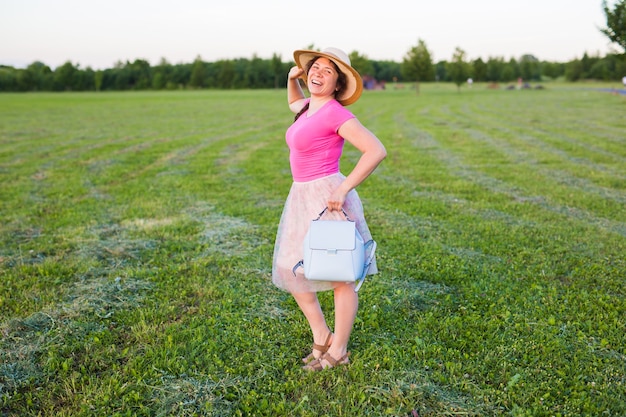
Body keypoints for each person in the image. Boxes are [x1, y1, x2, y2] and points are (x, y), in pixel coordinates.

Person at [272, 47, 387, 371]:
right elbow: (294, 102)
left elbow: (375, 150)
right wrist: (290, 79)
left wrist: (343, 187)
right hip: (300, 196)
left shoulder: (336, 113)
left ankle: (338, 350)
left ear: (338, 83)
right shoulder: (308, 107)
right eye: (315, 68)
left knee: (340, 276)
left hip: (327, 196)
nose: (317, 74)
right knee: (290, 269)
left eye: (327, 71)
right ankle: (321, 334)